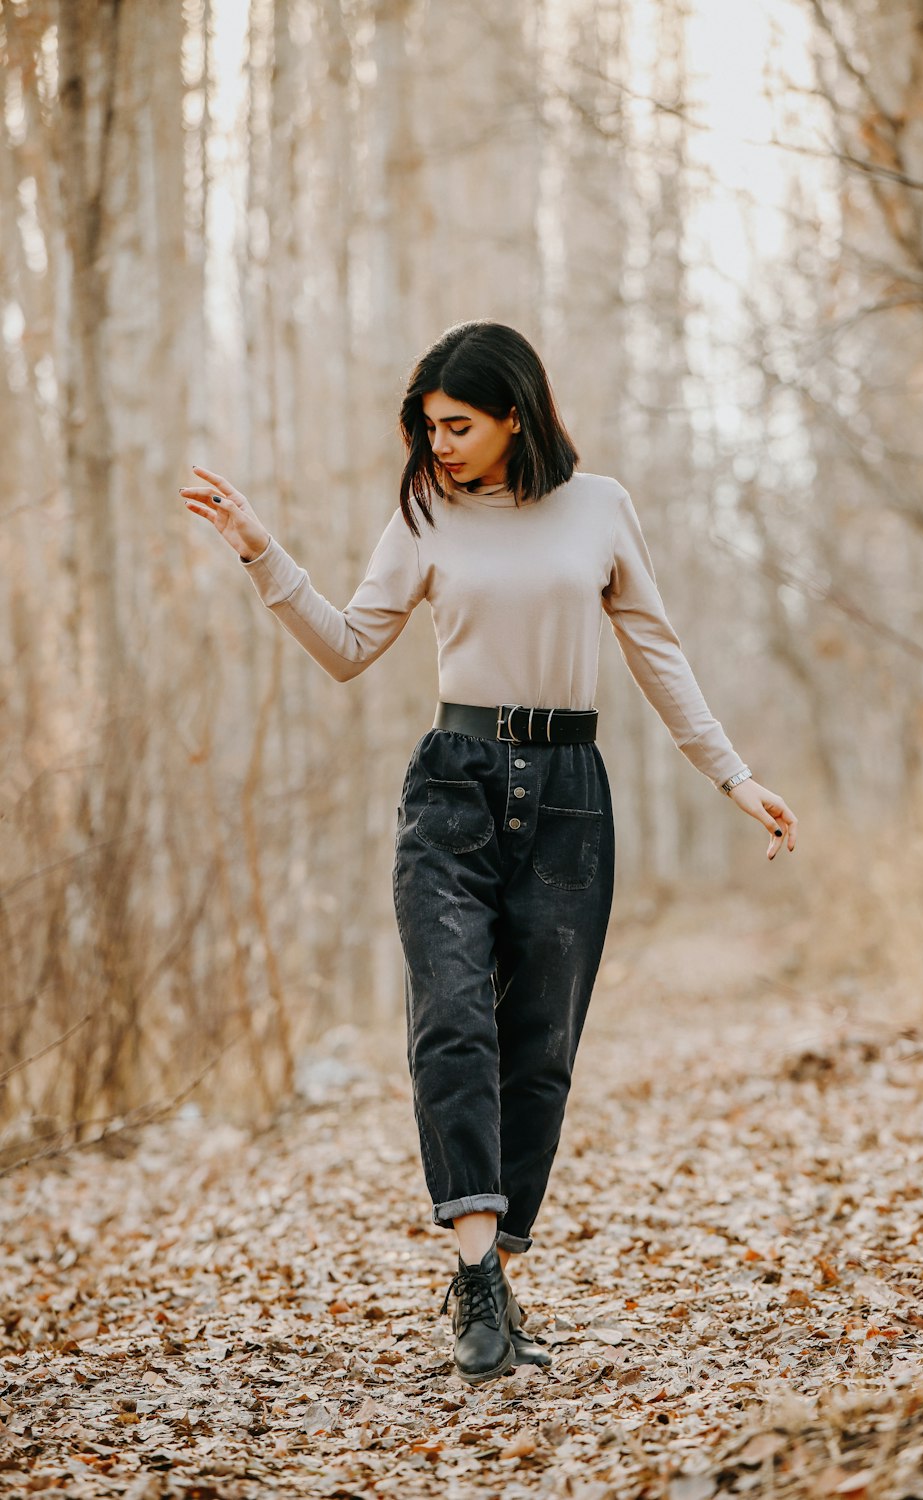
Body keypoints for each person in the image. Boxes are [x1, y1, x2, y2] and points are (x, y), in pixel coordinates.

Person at [181, 319, 797, 1387]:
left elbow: (655, 649)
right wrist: (259, 552)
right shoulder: (424, 511)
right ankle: (475, 1276)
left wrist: (731, 774)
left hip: (569, 799)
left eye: (457, 425)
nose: (440, 445)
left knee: (539, 1046)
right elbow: (346, 647)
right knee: (450, 1019)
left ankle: (498, 1268)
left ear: (517, 413)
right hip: (453, 788)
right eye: (427, 427)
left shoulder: (598, 507)